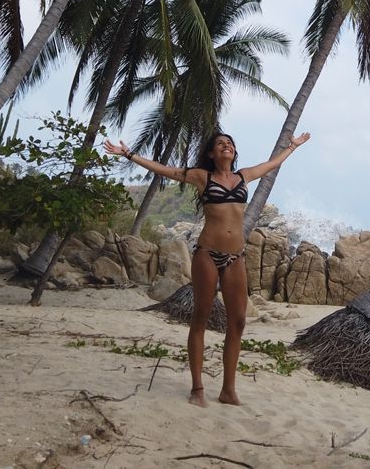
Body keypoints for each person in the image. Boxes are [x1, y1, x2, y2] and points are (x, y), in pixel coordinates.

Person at [103, 130, 310, 406]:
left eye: (230, 143)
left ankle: (228, 390)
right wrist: (130, 154)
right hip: (207, 254)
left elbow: (271, 165)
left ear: (234, 153)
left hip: (236, 256)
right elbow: (167, 171)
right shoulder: (203, 177)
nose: (226, 146)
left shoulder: (243, 176)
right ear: (212, 154)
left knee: (237, 321)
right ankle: (197, 388)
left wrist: (291, 147)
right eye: (220, 144)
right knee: (201, 316)